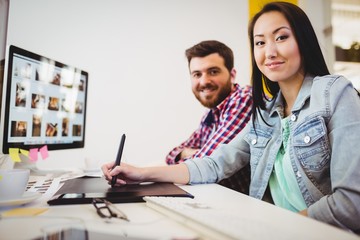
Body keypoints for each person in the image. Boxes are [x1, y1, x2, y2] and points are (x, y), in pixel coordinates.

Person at [102, 2, 360, 233]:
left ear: (303, 40)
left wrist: (285, 228)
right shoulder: (266, 113)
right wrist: (140, 173)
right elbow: (214, 164)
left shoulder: (335, 93)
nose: (269, 52)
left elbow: (352, 202)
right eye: (259, 42)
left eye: (281, 37)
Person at [165, 40, 252, 194]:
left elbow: (204, 165)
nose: (204, 81)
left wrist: (194, 153)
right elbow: (172, 154)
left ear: (232, 75)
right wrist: (188, 153)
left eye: (213, 72)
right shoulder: (212, 112)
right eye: (197, 74)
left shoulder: (244, 99)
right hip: (214, 197)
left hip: (242, 204)